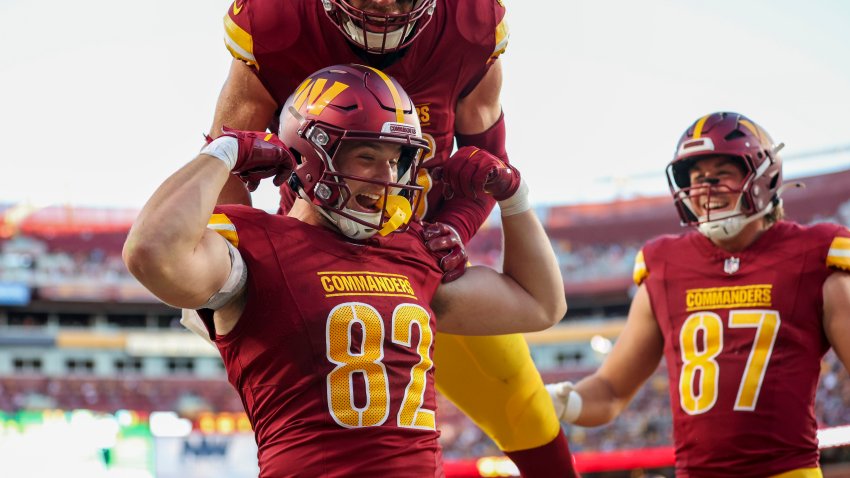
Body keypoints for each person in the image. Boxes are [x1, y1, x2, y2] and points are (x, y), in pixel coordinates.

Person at [125, 64, 576, 477]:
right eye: (367, 156)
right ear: (312, 152)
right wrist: (224, 152)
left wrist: (513, 198)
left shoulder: (410, 251)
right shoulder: (256, 246)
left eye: (397, 159)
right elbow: (151, 252)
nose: (388, 175)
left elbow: (540, 304)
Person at [548, 112, 850, 477]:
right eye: (695, 178)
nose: (705, 187)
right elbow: (611, 390)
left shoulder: (815, 253)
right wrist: (566, 402)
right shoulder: (665, 265)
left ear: (763, 177)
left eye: (721, 173)